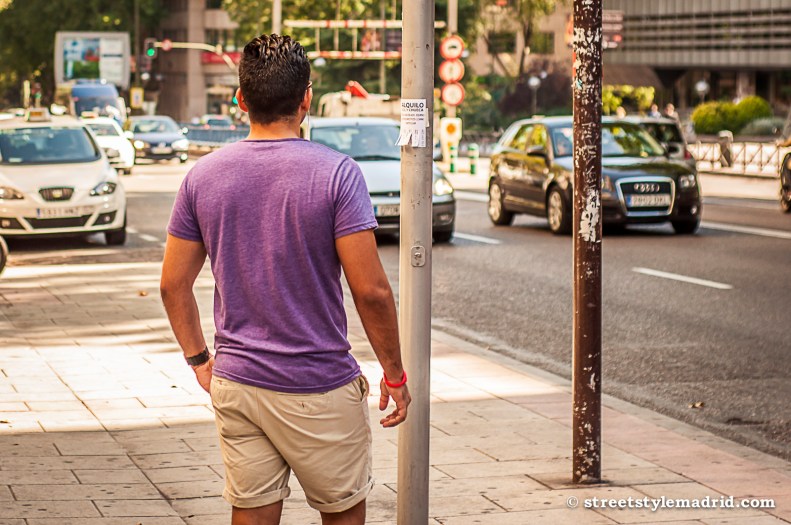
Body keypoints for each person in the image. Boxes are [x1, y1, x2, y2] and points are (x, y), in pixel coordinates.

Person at [160, 33, 411, 525]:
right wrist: (395, 375)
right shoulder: (337, 174)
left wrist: (200, 362)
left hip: (238, 382)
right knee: (341, 514)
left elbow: (172, 285)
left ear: (240, 101)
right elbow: (372, 291)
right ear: (306, 100)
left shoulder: (202, 177)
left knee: (251, 514)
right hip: (317, 386)